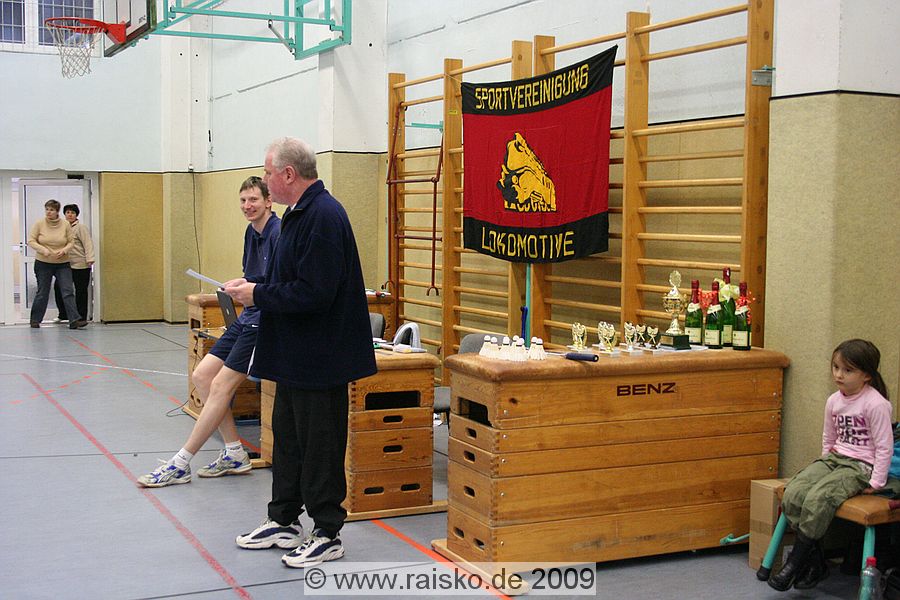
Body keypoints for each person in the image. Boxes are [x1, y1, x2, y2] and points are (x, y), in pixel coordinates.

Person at [225, 137, 376, 568]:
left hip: (321, 358)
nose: (265, 180)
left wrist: (258, 295)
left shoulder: (324, 216)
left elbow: (315, 292)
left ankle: (327, 531)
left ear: (288, 174)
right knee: (288, 441)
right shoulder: (296, 214)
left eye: (268, 173)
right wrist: (255, 287)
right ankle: (284, 519)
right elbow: (289, 278)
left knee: (320, 446)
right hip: (294, 355)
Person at [137, 177, 281, 487]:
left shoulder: (277, 233)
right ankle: (235, 453)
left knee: (221, 386)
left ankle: (180, 463)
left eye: (254, 200)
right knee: (202, 376)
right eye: (243, 200)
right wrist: (239, 283)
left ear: (269, 201)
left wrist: (251, 287)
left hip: (264, 322)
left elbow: (277, 285)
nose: (247, 206)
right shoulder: (251, 232)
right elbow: (255, 277)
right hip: (247, 315)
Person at [767, 339, 893, 592]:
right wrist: (823, 465)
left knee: (819, 498)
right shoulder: (834, 400)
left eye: (848, 370)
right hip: (835, 459)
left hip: (860, 465)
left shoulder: (876, 404)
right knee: (794, 492)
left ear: (867, 375)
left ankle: (795, 563)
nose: (839, 375)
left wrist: (877, 481)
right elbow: (829, 437)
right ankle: (815, 561)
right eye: (836, 367)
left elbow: (884, 446)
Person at [27, 199, 86, 329]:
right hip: (43, 263)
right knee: (43, 292)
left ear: (57, 211)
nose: (49, 212)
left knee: (67, 291)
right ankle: (35, 320)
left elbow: (71, 242)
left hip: (62, 263)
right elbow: (31, 240)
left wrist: (64, 250)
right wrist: (43, 250)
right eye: (47, 209)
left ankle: (74, 320)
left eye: (52, 210)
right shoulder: (39, 224)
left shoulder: (65, 224)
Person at [53, 204, 95, 323]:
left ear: (76, 215)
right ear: (64, 214)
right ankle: (63, 314)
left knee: (81, 291)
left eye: (72, 213)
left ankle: (81, 317)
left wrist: (90, 258)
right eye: (68, 212)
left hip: (81, 264)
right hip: (65, 265)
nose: (70, 215)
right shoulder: (62, 227)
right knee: (59, 288)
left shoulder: (80, 227)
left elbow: (88, 243)